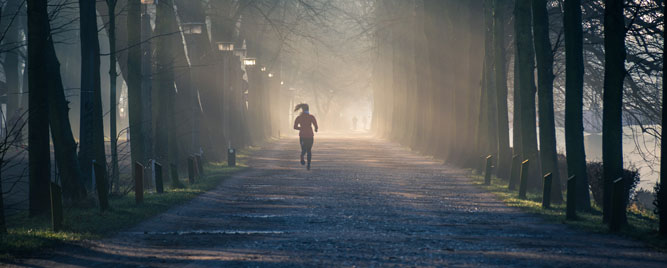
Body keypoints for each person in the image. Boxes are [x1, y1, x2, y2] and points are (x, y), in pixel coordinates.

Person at [293, 103, 318, 170]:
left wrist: (301, 128)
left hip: (302, 136)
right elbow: (315, 125)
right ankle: (308, 165)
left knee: (303, 149)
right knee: (309, 150)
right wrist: (316, 129)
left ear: (302, 109)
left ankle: (302, 156)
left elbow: (295, 127)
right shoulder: (311, 117)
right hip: (310, 135)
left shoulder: (299, 117)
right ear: (308, 109)